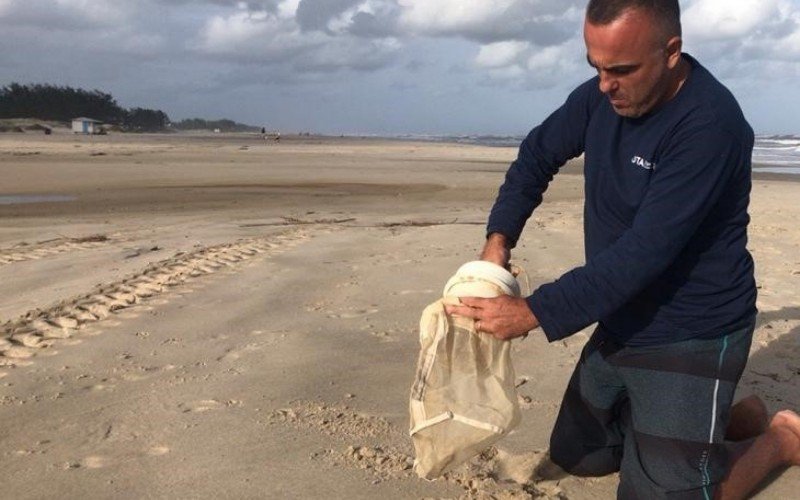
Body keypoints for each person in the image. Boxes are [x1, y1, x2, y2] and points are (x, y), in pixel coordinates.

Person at [444, 0, 800, 498]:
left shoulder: (710, 126)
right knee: (581, 457)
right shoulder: (600, 97)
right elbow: (536, 155)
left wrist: (532, 311)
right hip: (621, 318)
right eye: (596, 67)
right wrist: (497, 242)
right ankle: (725, 420)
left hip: (692, 328)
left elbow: (642, 254)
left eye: (622, 70)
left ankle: (780, 439)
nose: (606, 84)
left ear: (671, 51)